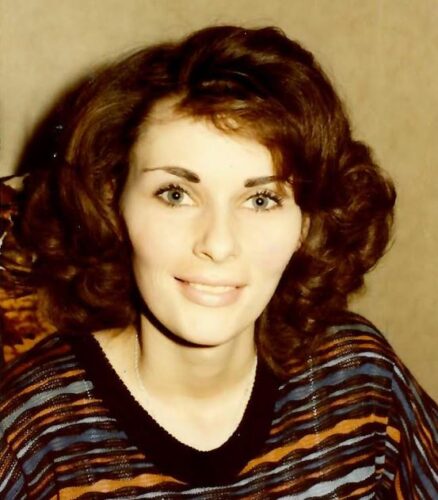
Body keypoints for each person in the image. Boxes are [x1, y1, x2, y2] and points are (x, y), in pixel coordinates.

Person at [0, 25, 437, 498]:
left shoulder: (358, 378)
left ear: (307, 224)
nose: (218, 243)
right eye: (175, 194)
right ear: (112, 203)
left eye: (262, 200)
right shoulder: (32, 437)